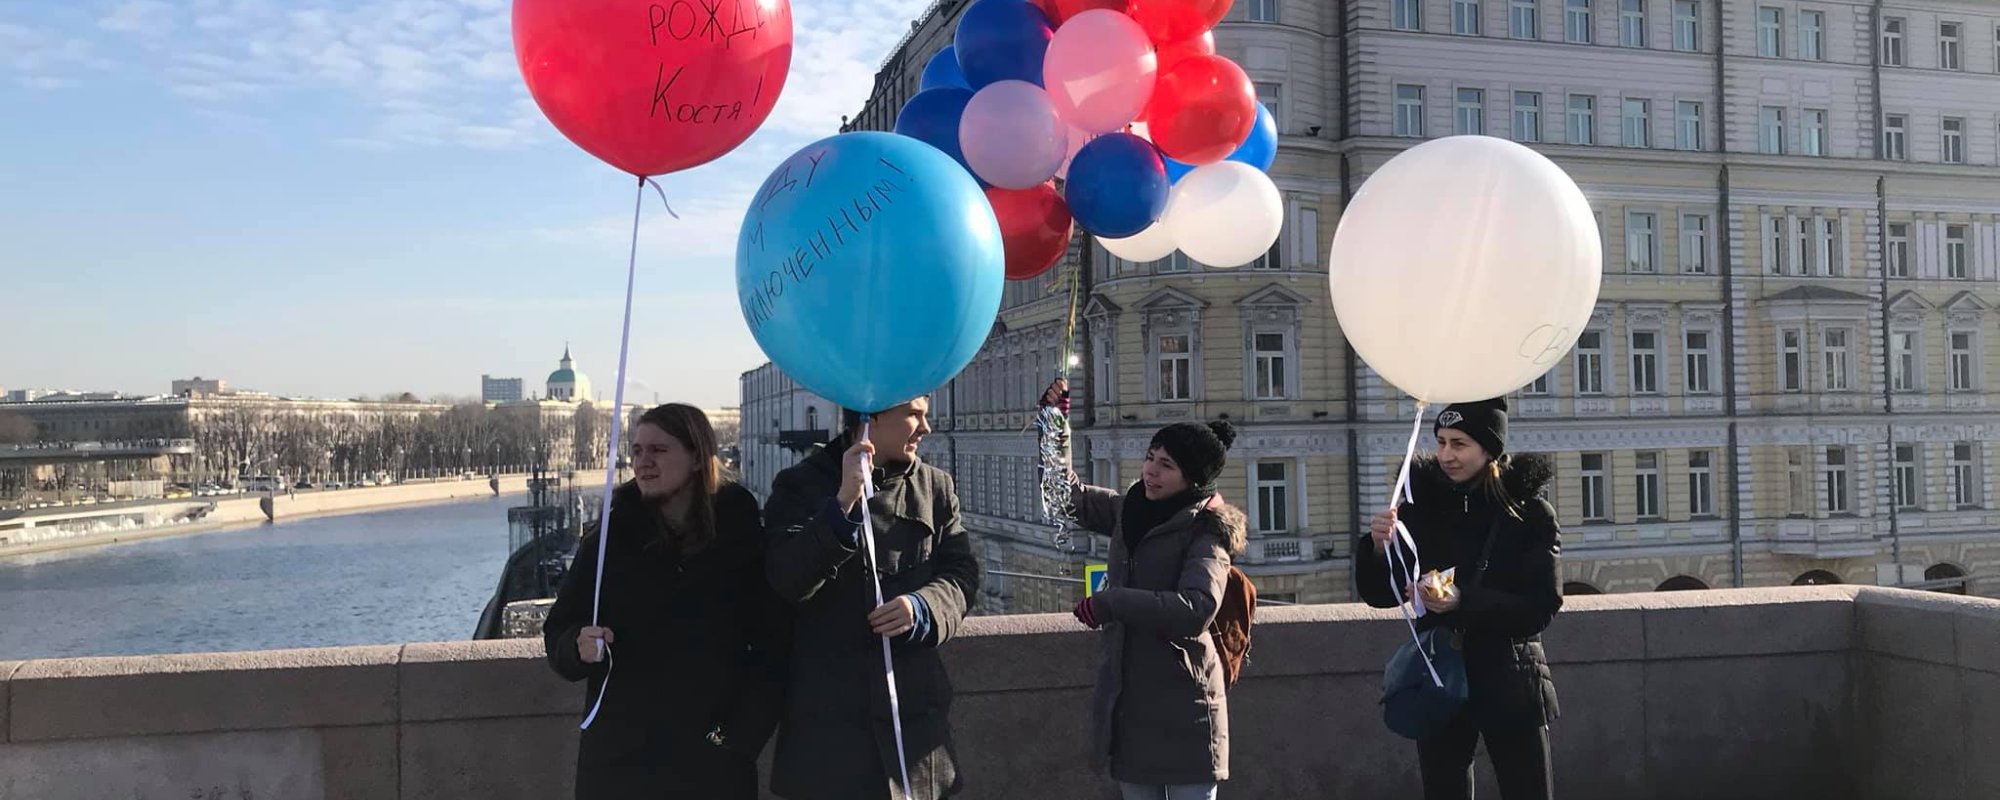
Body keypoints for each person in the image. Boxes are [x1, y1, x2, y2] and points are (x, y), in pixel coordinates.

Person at [542, 403, 790, 800]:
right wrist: (576, 645)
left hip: (711, 767)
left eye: (659, 450)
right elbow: (558, 629)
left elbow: (773, 644)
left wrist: (733, 739)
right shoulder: (610, 538)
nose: (643, 462)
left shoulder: (741, 536)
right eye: (637, 451)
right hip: (620, 763)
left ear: (697, 457)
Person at [763, 397, 981, 800]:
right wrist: (842, 504)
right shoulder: (799, 485)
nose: (926, 428)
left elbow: (961, 574)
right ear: (870, 415)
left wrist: (924, 607)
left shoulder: (934, 485)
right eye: (914, 415)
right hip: (830, 744)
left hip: (914, 738)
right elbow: (787, 579)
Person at [1355, 399, 1563, 800]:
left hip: (1511, 679)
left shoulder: (1530, 512)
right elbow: (1380, 594)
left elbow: (1541, 606)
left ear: (1489, 450)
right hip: (1439, 678)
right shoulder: (1421, 507)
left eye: (1459, 444)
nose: (1446, 455)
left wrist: (1462, 602)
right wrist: (1379, 549)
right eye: (1441, 442)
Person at [1055, 379, 1247, 800]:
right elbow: (1065, 498)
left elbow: (1197, 608)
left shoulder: (1207, 530)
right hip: (1129, 706)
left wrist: (1113, 602)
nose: (1151, 471)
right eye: (1150, 457)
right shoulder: (1131, 508)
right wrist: (1055, 427)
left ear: (1192, 478)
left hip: (1186, 710)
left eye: (1166, 465)